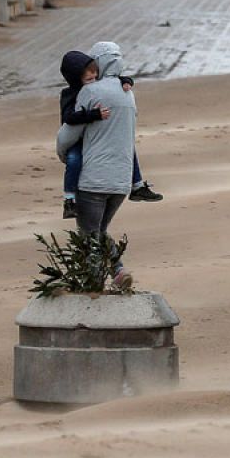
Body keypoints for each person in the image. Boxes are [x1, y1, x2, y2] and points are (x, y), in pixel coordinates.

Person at [56, 42, 146, 285]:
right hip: (121, 182)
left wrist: (64, 154)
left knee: (88, 235)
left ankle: (94, 282)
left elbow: (69, 134)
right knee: (99, 231)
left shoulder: (91, 92)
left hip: (93, 180)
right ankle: (118, 272)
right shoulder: (128, 91)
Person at [56, 50, 162, 219]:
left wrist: (126, 81)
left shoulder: (95, 87)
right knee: (74, 160)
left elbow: (114, 79)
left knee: (128, 148)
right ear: (76, 79)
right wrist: (94, 115)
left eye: (95, 77)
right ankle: (69, 200)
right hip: (78, 138)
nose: (94, 82)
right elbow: (69, 119)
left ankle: (138, 186)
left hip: (94, 140)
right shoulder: (70, 94)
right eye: (89, 80)